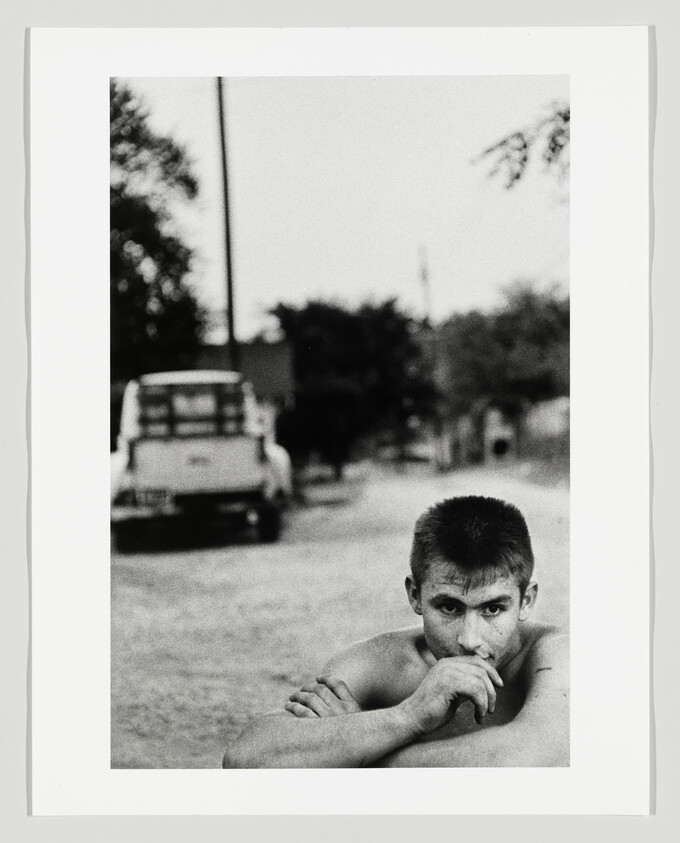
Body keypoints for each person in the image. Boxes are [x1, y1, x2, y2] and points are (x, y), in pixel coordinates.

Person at [222, 495, 568, 768]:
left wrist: (353, 751)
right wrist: (409, 716)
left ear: (526, 600)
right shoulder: (381, 662)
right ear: (415, 595)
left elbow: (527, 758)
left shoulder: (556, 653)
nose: (469, 639)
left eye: (492, 609)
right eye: (449, 608)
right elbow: (246, 758)